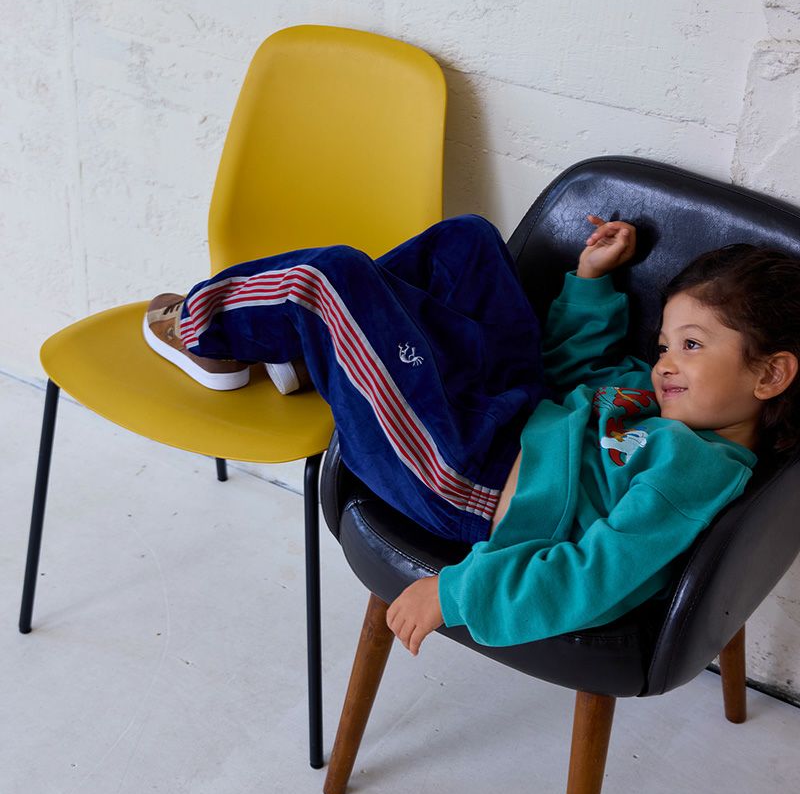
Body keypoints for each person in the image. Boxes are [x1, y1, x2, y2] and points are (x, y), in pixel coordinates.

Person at [143, 215, 800, 657]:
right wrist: (593, 280)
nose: (665, 363)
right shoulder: (663, 399)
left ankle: (203, 332)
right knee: (468, 243)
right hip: (510, 408)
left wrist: (455, 592)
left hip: (464, 478)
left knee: (326, 279)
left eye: (692, 345)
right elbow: (576, 370)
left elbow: (597, 579)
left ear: (770, 374)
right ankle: (307, 348)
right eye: (665, 344)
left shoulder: (694, 470)